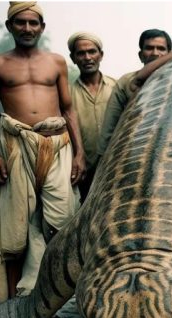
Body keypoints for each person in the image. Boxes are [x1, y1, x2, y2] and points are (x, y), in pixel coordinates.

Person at [0, 1, 86, 299]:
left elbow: (69, 109)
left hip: (56, 145)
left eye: (33, 23)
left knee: (60, 221)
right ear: (10, 26)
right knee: (16, 226)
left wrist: (79, 153)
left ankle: (52, 302)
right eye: (20, 22)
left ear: (42, 27)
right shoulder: (0, 63)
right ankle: (13, 302)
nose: (27, 28)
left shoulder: (56, 62)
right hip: (16, 146)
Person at [97, 28, 171, 160]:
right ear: (141, 55)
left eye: (161, 48)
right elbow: (110, 126)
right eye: (149, 48)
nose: (155, 53)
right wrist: (102, 159)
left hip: (168, 151)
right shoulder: (126, 82)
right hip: (132, 152)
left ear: (169, 53)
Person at [67, 31, 116, 201]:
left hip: (115, 170)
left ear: (101, 55)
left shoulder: (117, 88)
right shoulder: (66, 94)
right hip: (82, 173)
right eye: (81, 53)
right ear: (73, 58)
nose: (87, 57)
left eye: (92, 52)